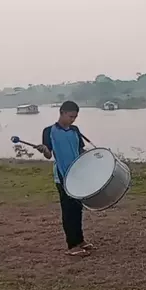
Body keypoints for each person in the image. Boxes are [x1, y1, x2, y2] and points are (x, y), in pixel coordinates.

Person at [36, 101, 95, 257]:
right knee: (68, 210)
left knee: (77, 208)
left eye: (75, 117)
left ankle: (80, 240)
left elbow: (80, 149)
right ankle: (72, 245)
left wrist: (93, 158)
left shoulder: (75, 130)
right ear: (61, 113)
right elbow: (48, 154)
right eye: (70, 116)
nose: (73, 120)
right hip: (62, 175)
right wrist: (44, 149)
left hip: (77, 174)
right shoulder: (49, 131)